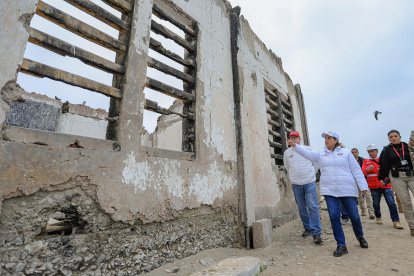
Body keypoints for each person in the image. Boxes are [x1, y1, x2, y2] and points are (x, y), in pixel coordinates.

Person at [287, 131, 369, 257]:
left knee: (354, 216)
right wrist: (295, 146)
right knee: (334, 216)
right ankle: (341, 245)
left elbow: (356, 170)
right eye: (325, 138)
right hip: (330, 191)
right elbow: (307, 154)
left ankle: (360, 236)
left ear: (336, 140)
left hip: (347, 189)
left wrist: (363, 186)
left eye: (329, 138)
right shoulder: (321, 153)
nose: (326, 140)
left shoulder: (346, 153)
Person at [283, 131, 323, 244]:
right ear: (289, 140)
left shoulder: (308, 149)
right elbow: (287, 166)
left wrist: (311, 174)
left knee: (312, 205)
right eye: (291, 138)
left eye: (295, 138)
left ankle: (316, 232)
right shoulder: (287, 153)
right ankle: (307, 227)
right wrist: (293, 177)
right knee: (301, 207)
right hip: (296, 184)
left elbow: (316, 163)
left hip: (309, 182)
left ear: (299, 139)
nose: (293, 140)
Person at [378, 130, 414, 236]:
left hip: (411, 174)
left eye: (395, 136)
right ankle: (412, 227)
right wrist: (381, 177)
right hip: (396, 177)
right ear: (388, 138)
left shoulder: (408, 147)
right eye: (391, 137)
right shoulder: (386, 150)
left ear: (400, 136)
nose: (393, 138)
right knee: (406, 202)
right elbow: (383, 164)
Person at [361, 144, 403, 229]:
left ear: (377, 151)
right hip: (373, 186)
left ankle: (396, 221)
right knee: (376, 204)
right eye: (369, 152)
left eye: (372, 151)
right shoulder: (366, 161)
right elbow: (362, 173)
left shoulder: (383, 160)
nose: (371, 153)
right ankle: (378, 217)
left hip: (385, 185)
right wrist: (367, 169)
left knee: (391, 203)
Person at [351, 148, 375, 219]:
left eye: (355, 152)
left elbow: (365, 169)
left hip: (363, 180)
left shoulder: (362, 160)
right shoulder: (350, 161)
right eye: (352, 152)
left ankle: (371, 212)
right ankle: (363, 210)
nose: (354, 153)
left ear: (358, 153)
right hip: (354, 181)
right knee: (359, 197)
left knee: (368, 196)